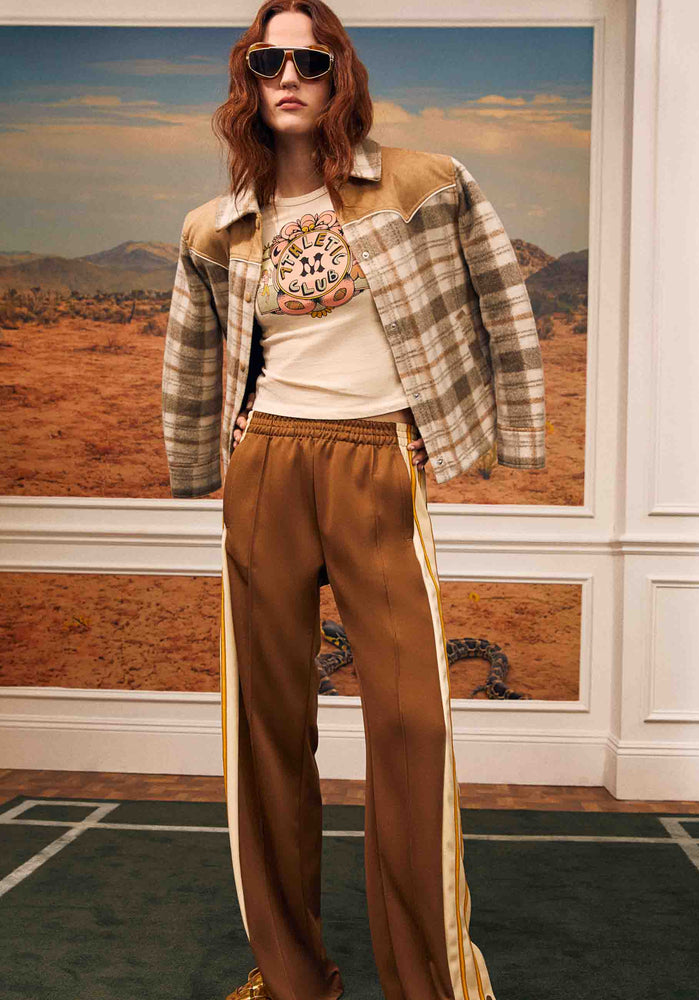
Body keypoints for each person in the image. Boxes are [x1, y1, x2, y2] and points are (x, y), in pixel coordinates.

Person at [161, 2, 546, 999]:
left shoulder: (426, 182)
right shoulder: (216, 226)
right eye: (267, 60)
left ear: (341, 76)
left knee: (412, 721)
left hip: (378, 456)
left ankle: (436, 981)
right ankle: (291, 975)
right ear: (249, 80)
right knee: (266, 724)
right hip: (268, 467)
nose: (288, 74)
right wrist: (213, 462)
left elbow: (503, 301)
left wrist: (498, 436)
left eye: (310, 59)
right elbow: (193, 360)